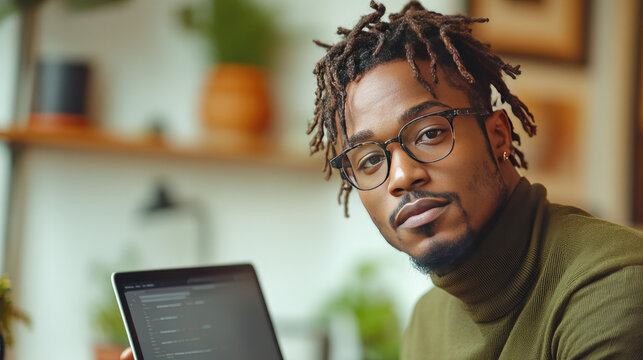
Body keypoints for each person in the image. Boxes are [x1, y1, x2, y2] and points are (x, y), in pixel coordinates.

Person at [122, 1, 642, 359]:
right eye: (370, 160)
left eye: (430, 133)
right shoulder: (430, 318)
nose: (402, 175)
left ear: (499, 136)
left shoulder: (613, 290)